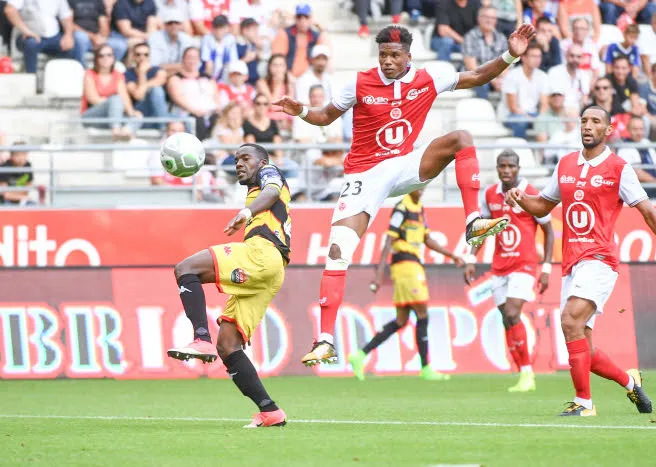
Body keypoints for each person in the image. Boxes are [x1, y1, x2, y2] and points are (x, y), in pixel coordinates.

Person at [272, 25, 536, 365]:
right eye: (383, 55)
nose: (387, 61)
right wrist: (301, 111)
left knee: (462, 138)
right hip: (364, 174)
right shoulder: (359, 83)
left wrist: (511, 54)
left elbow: (477, 76)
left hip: (405, 164)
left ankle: (473, 221)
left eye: (394, 55)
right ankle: (325, 340)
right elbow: (325, 116)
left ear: (408, 56)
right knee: (337, 250)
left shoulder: (428, 78)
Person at [504, 105, 656, 416]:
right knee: (585, 348)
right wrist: (520, 199)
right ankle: (631, 383)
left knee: (570, 320)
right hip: (572, 263)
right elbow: (541, 206)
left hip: (600, 259)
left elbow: (649, 212)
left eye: (595, 121)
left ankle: (584, 403)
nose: (587, 126)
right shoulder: (565, 164)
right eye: (584, 121)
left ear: (608, 130)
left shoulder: (619, 168)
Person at [166, 143, 290, 428]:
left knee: (185, 268)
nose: (239, 164)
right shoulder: (256, 189)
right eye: (236, 160)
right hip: (273, 271)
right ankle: (270, 411)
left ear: (261, 162)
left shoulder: (270, 172)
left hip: (262, 253)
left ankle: (201, 338)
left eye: (246, 158)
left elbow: (272, 192)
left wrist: (245, 213)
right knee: (228, 345)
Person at [348, 189, 464, 381]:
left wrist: (451, 255)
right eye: (417, 185)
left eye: (424, 185)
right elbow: (389, 241)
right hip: (406, 266)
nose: (421, 188)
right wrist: (379, 274)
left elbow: (427, 239)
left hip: (411, 265)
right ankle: (426, 368)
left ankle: (360, 355)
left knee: (401, 320)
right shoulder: (401, 209)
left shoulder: (419, 209)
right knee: (422, 314)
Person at [464, 150, 554, 392]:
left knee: (513, 313)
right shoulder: (489, 194)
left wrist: (546, 267)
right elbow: (483, 228)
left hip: (524, 264)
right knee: (506, 318)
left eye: (511, 166)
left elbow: (549, 231)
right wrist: (471, 257)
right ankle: (522, 371)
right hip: (500, 265)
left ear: (518, 168)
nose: (506, 170)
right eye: (502, 166)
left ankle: (527, 373)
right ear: (497, 168)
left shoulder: (531, 193)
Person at [81, 44, 141, 139]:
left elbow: (125, 99)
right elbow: (93, 99)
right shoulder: (89, 74)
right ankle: (116, 132)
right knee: (116, 99)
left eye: (109, 55)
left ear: (113, 58)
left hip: (111, 117)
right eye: (101, 55)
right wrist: (113, 103)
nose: (106, 58)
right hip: (91, 116)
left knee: (138, 116)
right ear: (96, 58)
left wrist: (131, 113)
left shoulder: (118, 75)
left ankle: (125, 133)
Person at [4, 0, 78, 73]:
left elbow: (65, 15)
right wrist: (26, 31)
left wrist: (68, 35)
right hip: (27, 36)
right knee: (31, 44)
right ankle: (31, 77)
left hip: (53, 36)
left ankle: (63, 77)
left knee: (71, 46)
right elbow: (9, 10)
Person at [497, 43, 549, 138]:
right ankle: (520, 146)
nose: (537, 60)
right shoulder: (512, 75)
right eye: (533, 56)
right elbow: (513, 107)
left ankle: (545, 148)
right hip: (510, 115)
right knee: (520, 121)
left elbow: (544, 104)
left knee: (547, 120)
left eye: (539, 56)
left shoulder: (543, 76)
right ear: (524, 58)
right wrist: (529, 118)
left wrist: (540, 118)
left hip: (533, 114)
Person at [463, 6, 509, 99]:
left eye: (492, 18)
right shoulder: (470, 37)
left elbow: (505, 64)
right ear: (479, 18)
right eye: (486, 17)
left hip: (495, 77)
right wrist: (492, 80)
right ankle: (485, 107)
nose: (489, 20)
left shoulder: (501, 38)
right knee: (481, 83)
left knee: (511, 82)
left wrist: (501, 79)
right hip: (475, 77)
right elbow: (472, 67)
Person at [618, 115, 656, 199]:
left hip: (653, 184)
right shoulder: (625, 147)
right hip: (637, 188)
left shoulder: (646, 142)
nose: (639, 133)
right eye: (635, 129)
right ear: (628, 130)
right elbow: (638, 174)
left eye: (641, 129)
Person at [270, 4, 325, 78]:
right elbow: (277, 60)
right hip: (287, 76)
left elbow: (324, 57)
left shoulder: (315, 35)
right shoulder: (284, 34)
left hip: (310, 76)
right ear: (295, 18)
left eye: (306, 17)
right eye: (299, 17)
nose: (303, 20)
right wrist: (287, 76)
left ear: (311, 19)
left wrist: (321, 29)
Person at [125, 42, 169, 129]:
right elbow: (139, 96)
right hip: (140, 113)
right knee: (155, 89)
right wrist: (142, 73)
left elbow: (161, 80)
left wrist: (141, 86)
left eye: (146, 54)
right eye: (138, 54)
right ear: (133, 56)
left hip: (159, 112)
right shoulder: (128, 74)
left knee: (156, 90)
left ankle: (163, 126)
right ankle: (163, 128)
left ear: (149, 56)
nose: (142, 57)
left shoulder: (158, 70)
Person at [70, 0, 128, 64]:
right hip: (79, 36)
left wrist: (102, 37)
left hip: (97, 38)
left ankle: (108, 67)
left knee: (120, 45)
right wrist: (92, 37)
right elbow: (69, 23)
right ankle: (81, 66)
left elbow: (103, 22)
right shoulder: (70, 1)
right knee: (81, 37)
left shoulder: (98, 1)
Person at [546, 43, 589, 111]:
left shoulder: (584, 75)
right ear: (566, 56)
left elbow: (584, 99)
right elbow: (550, 99)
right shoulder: (555, 72)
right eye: (572, 56)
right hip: (558, 112)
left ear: (582, 58)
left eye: (578, 57)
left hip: (578, 113)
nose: (575, 59)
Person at [200, 14, 238, 82]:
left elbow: (233, 60)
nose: (219, 31)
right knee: (209, 65)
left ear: (227, 28)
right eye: (216, 28)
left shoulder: (230, 39)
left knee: (231, 67)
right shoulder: (207, 38)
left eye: (222, 28)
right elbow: (207, 60)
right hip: (210, 71)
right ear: (212, 28)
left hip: (225, 71)